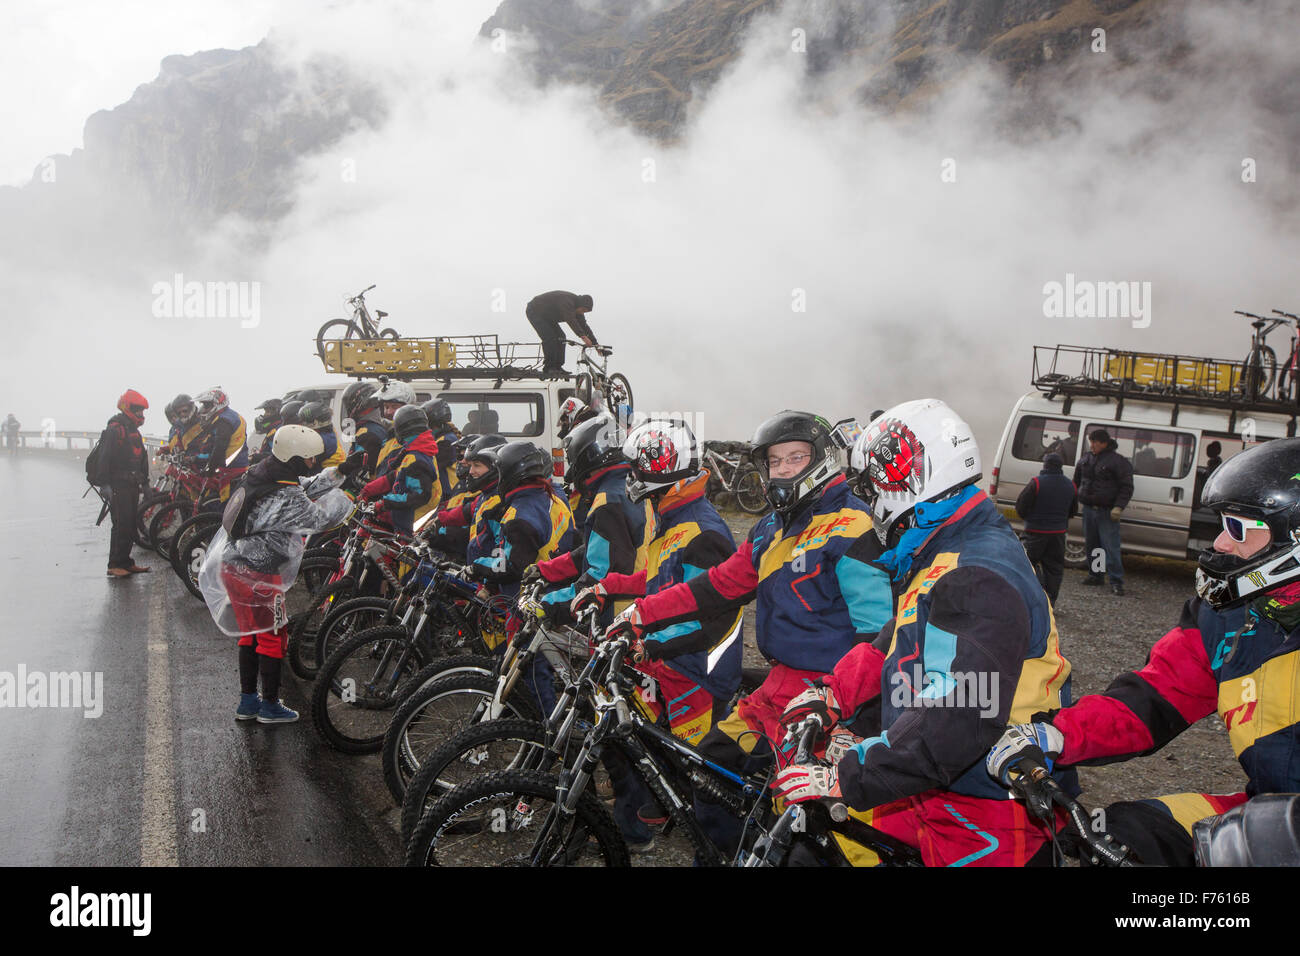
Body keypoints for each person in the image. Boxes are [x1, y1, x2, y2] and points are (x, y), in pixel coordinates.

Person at [770, 399, 1077, 867]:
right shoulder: (949, 544)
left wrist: (851, 772)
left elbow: (962, 711)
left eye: (871, 485)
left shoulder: (976, 571)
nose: (868, 499)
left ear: (907, 477)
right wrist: (834, 694)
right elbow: (899, 640)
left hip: (987, 802)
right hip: (934, 777)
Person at [988, 437, 1300, 865]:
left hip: (1286, 828)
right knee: (1114, 836)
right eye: (1222, 526)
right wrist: (1056, 734)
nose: (1222, 545)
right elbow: (1153, 697)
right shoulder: (1226, 614)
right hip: (1266, 808)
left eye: (1239, 529)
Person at [605, 410, 894, 858]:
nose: (782, 470)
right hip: (777, 692)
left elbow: (878, 635)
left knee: (814, 832)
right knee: (711, 777)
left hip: (832, 701)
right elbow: (717, 584)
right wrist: (642, 612)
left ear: (823, 459)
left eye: (795, 458)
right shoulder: (773, 526)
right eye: (774, 461)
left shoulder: (853, 527)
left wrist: (853, 717)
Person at [199, 424, 354, 724]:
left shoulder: (264, 472)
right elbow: (318, 517)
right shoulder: (284, 492)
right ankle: (269, 706)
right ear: (294, 457)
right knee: (272, 636)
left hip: (234, 566)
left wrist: (340, 471)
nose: (312, 463)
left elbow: (302, 487)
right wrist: (346, 496)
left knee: (249, 634)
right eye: (309, 458)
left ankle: (248, 702)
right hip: (259, 573)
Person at [359, 405, 442, 536]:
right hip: (398, 513)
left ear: (401, 430)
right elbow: (397, 476)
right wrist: (369, 489)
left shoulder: (417, 458)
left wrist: (384, 503)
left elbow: (418, 495)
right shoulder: (415, 450)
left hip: (407, 521)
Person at [1073, 427, 1133, 595]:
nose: (1092, 445)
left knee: (1110, 546)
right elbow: (1076, 481)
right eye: (1091, 441)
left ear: (1104, 443)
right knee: (1094, 546)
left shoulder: (1118, 462)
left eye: (1095, 442)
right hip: (1089, 509)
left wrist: (1119, 506)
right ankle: (1096, 575)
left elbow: (1126, 487)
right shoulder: (1086, 458)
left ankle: (1116, 581)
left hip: (1107, 511)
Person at [100, 390, 152, 577]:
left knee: (130, 523)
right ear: (128, 408)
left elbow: (142, 459)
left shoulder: (132, 430)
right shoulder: (115, 429)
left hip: (131, 485)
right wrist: (105, 484)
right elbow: (104, 459)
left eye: (142, 411)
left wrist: (145, 484)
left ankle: (126, 561)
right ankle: (114, 564)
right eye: (138, 410)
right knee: (121, 523)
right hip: (118, 485)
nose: (141, 415)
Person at [1015, 451, 1078, 605]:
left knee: (1029, 563)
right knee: (1054, 568)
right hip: (1058, 534)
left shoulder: (1036, 483)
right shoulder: (1070, 485)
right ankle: (1051, 600)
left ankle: (1037, 595)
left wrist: (1029, 520)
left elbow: (1021, 506)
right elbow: (1073, 511)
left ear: (1045, 465)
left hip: (1035, 533)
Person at [192, 387, 249, 503]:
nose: (203, 409)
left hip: (231, 470)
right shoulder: (230, 416)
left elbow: (219, 447)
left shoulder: (224, 421)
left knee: (224, 507)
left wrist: (210, 469)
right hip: (235, 467)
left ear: (218, 404)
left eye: (207, 405)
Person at [525, 290, 595, 376]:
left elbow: (584, 326)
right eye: (583, 310)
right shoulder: (567, 301)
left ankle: (558, 367)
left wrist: (596, 344)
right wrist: (583, 337)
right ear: (580, 304)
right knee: (550, 337)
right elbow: (571, 320)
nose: (582, 312)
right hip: (535, 311)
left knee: (561, 337)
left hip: (548, 316)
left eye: (585, 312)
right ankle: (549, 367)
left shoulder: (578, 311)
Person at [341, 382, 387, 477]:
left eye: (348, 404)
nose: (347, 408)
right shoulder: (376, 424)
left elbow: (360, 471)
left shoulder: (367, 433)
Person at [299, 401, 345, 467]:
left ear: (317, 423)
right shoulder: (328, 432)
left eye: (307, 422)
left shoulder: (321, 440)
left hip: (329, 472)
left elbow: (310, 464)